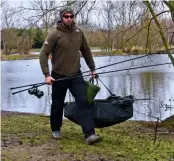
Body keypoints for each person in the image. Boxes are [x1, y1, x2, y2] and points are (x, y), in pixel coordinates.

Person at [39, 6, 102, 145]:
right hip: (58, 76)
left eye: (71, 16)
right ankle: (56, 128)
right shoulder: (54, 34)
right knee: (57, 104)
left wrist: (93, 68)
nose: (69, 19)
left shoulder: (79, 32)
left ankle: (90, 134)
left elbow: (86, 50)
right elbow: (43, 54)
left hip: (75, 75)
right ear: (61, 18)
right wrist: (47, 75)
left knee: (83, 101)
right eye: (66, 16)